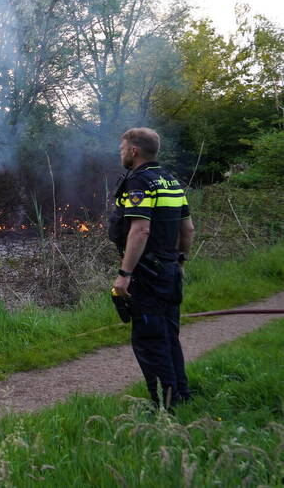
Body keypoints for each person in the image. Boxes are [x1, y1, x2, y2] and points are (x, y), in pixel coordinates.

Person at [109, 127, 195, 409]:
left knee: (149, 340)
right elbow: (188, 228)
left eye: (122, 148)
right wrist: (179, 261)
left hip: (148, 275)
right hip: (169, 270)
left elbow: (140, 230)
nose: (120, 153)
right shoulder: (171, 181)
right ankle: (180, 395)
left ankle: (164, 407)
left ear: (134, 150)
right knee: (169, 336)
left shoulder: (140, 182)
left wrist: (125, 275)